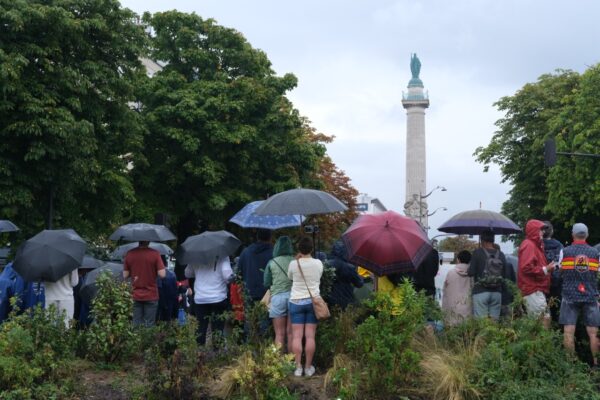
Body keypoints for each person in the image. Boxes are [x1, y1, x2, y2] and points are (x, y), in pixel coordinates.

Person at [559, 223, 600, 367]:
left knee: (569, 333)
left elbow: (561, 272)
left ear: (572, 235)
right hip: (590, 296)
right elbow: (597, 273)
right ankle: (596, 366)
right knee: (594, 334)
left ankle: (570, 366)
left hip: (570, 296)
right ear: (587, 235)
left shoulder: (565, 251)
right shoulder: (595, 253)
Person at [287, 236, 323, 377]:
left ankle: (298, 368)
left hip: (296, 301)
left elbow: (290, 277)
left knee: (297, 336)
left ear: (299, 249)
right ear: (312, 249)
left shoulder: (293, 264)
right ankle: (308, 368)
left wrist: (297, 260)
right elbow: (319, 277)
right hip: (312, 302)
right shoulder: (318, 263)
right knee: (310, 337)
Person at [185, 256, 234, 346]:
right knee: (218, 328)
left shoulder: (196, 255)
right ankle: (217, 352)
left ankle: (200, 353)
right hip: (218, 298)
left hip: (200, 298)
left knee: (201, 328)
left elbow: (187, 273)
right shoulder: (223, 256)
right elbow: (227, 276)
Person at [517, 219, 555, 328]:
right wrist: (545, 269)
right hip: (532, 289)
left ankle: (536, 343)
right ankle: (541, 344)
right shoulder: (529, 245)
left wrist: (547, 269)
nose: (543, 232)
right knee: (544, 319)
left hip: (535, 289)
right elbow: (526, 267)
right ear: (534, 230)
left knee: (537, 322)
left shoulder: (535, 245)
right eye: (541, 229)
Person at [123, 241, 166, 327]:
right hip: (151, 294)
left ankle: (136, 340)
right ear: (148, 241)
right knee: (149, 325)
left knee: (136, 324)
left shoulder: (130, 253)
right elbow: (162, 275)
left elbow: (125, 275)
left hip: (135, 294)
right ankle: (147, 340)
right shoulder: (155, 254)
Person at [263, 236, 295, 350]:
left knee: (279, 334)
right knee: (291, 334)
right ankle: (292, 363)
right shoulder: (295, 261)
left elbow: (266, 282)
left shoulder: (272, 262)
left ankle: (280, 364)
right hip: (294, 298)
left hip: (277, 298)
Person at [468, 230, 507, 320]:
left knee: (481, 323)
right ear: (493, 240)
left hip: (480, 291)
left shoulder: (477, 252)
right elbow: (505, 275)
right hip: (497, 292)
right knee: (494, 322)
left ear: (482, 240)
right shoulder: (501, 254)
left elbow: (471, 272)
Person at [325, 240, 363, 310]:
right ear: (345, 252)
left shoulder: (326, 265)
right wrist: (361, 276)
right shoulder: (349, 267)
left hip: (330, 299)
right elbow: (359, 284)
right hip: (346, 299)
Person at [238, 229, 273, 304]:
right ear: (270, 238)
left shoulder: (246, 252)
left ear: (257, 237)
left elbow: (238, 273)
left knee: (251, 315)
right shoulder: (274, 253)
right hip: (268, 294)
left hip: (249, 292)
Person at [442, 250, 473, 326]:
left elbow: (445, 290)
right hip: (467, 310)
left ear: (458, 260)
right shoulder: (472, 275)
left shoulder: (451, 273)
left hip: (453, 311)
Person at [543, 221, 564, 322]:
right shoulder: (559, 246)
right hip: (557, 284)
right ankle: (557, 334)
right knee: (557, 311)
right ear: (552, 231)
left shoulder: (537, 245)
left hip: (541, 282)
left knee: (542, 313)